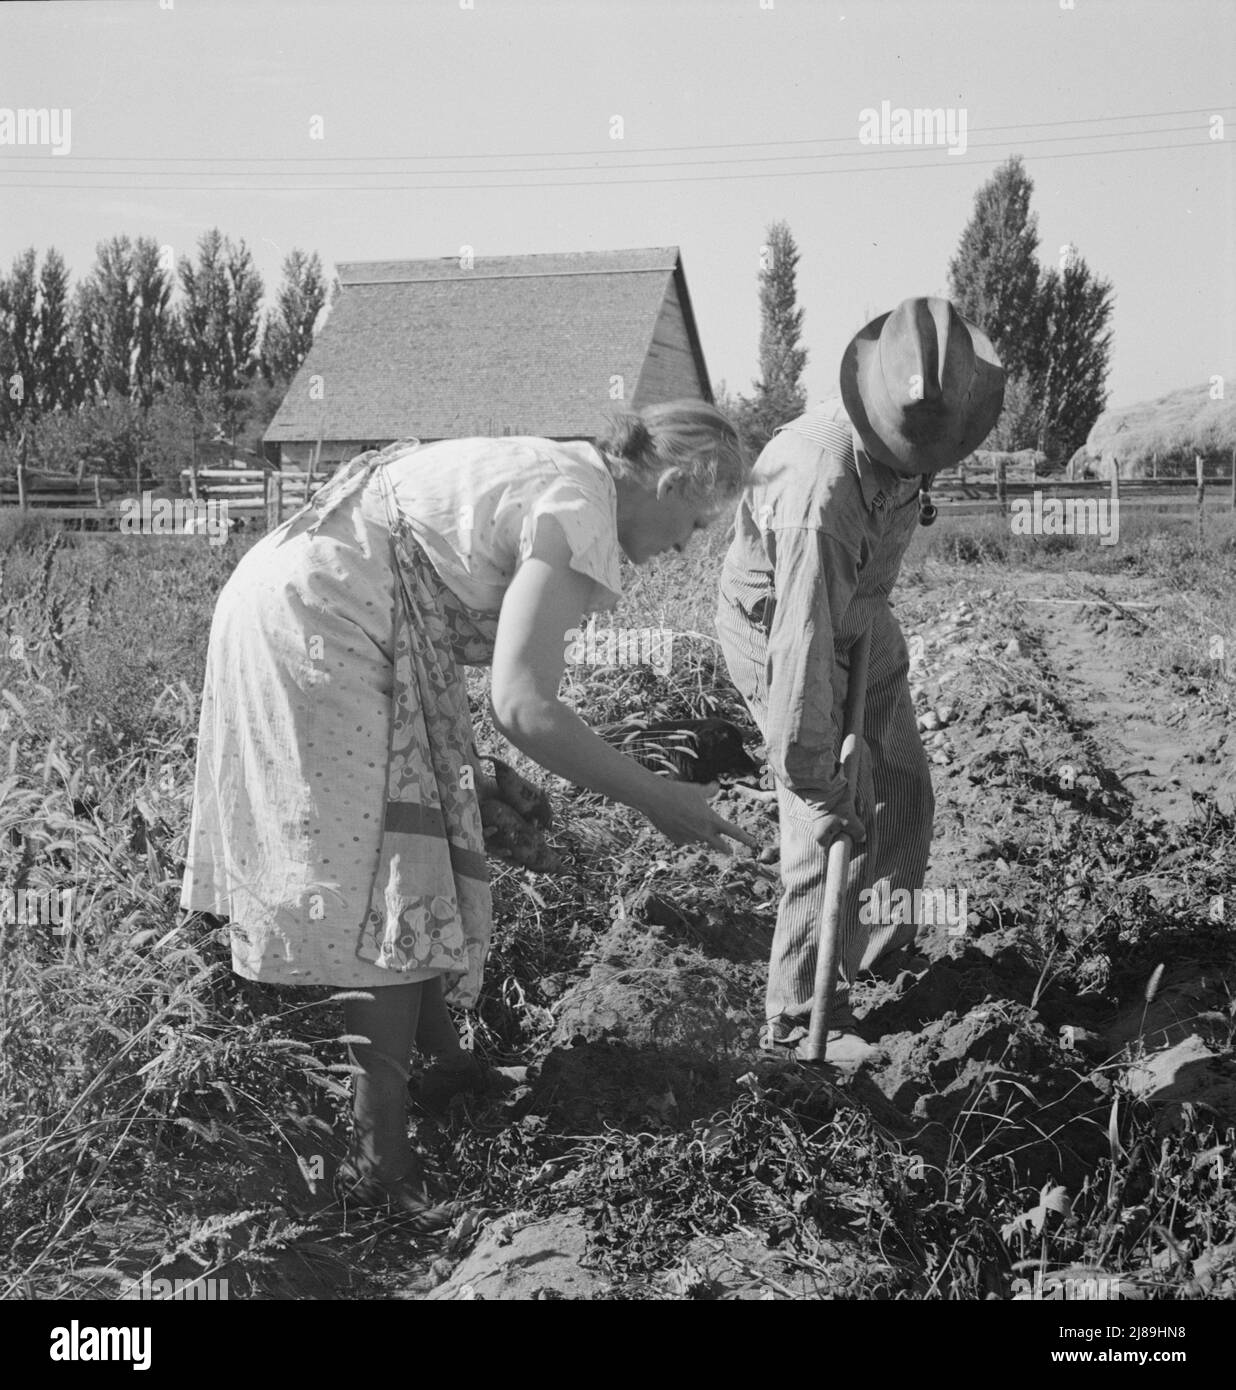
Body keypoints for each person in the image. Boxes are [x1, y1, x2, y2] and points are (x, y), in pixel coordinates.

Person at [180, 401, 758, 1230]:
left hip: (304, 600)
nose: (686, 545)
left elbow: (452, 631)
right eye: (694, 521)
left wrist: (472, 772)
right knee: (385, 876)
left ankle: (450, 1067)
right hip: (322, 626)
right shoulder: (579, 509)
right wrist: (658, 795)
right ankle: (383, 1161)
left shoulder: (564, 475)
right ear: (667, 482)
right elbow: (524, 703)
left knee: (412, 842)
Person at [715, 297, 1005, 1062]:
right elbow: (803, 651)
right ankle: (797, 1016)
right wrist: (819, 780)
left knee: (901, 780)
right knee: (825, 821)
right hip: (782, 629)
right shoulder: (820, 492)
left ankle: (867, 953)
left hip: (860, 616)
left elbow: (850, 603)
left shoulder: (912, 423)